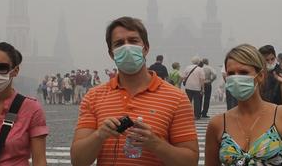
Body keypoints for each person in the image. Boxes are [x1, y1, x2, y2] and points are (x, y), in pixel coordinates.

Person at [71, 16, 199, 166]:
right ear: (112, 54)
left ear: (146, 48)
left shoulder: (177, 98)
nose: (127, 47)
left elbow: (190, 161)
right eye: (119, 43)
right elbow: (78, 161)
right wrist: (99, 135)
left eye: (133, 41)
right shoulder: (93, 97)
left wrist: (156, 144)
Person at [204, 44, 282, 166]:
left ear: (260, 76)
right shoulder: (218, 124)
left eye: (243, 72)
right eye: (231, 73)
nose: (236, 78)